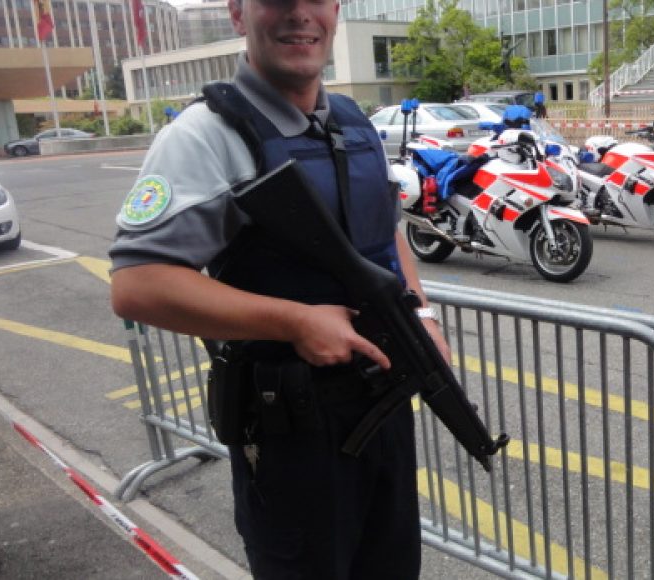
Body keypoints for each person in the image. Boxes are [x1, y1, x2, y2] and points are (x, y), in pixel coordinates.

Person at [108, 0, 449, 575]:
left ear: (336, 10)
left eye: (315, 0)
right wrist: (294, 322)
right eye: (277, 0)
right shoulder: (206, 135)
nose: (299, 15)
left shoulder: (353, 121)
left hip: (384, 405)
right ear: (238, 14)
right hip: (290, 429)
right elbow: (137, 283)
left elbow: (384, 232)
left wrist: (422, 317)